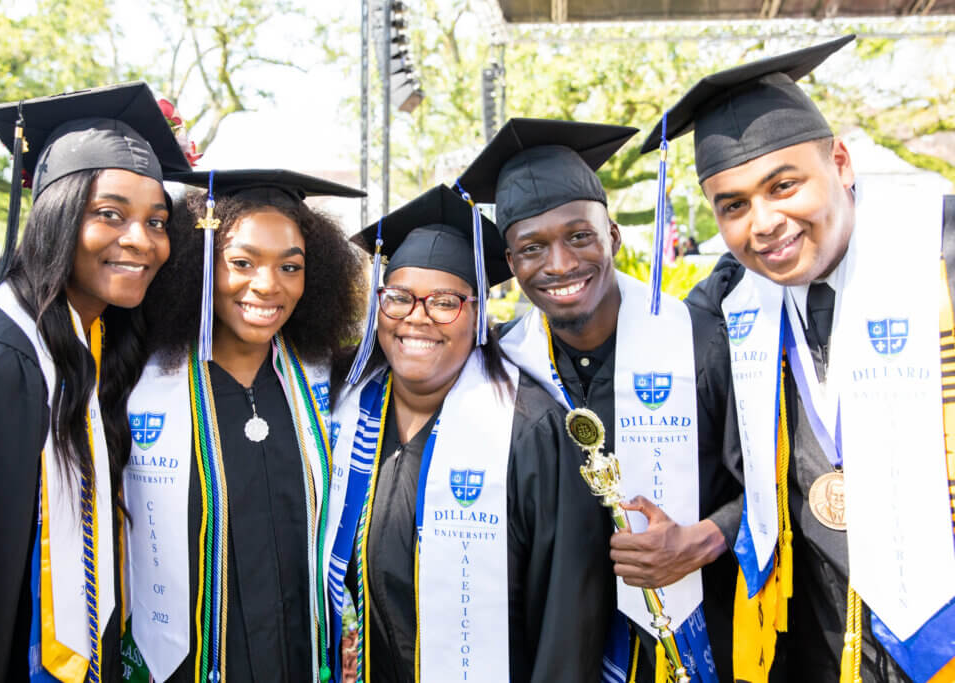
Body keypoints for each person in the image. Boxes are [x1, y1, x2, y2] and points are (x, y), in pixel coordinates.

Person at [645, 35, 955, 682]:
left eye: (783, 184)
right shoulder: (731, 303)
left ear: (840, 161)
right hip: (814, 635)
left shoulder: (939, 260)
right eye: (732, 205)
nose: (763, 222)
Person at [457, 117, 741, 682]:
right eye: (532, 248)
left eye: (579, 236)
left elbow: (771, 486)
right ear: (510, 266)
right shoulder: (499, 370)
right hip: (555, 646)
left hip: (701, 634)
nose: (560, 264)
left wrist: (704, 539)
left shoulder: (702, 342)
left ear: (612, 234)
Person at [0, 82, 191, 682]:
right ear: (56, 214)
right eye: (110, 214)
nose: (142, 241)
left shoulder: (82, 341)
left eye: (156, 222)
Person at [325, 184, 613, 683]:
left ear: (479, 315)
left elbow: (568, 618)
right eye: (398, 298)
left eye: (444, 302)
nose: (417, 317)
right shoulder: (345, 410)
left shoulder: (529, 433)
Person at [119, 169, 365, 683]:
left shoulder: (331, 386)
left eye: (290, 267)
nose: (267, 285)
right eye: (241, 262)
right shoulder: (133, 384)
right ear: (199, 266)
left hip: (301, 660)